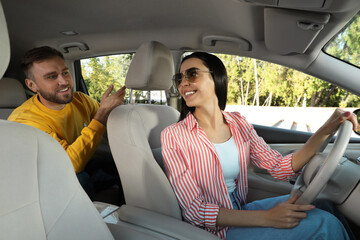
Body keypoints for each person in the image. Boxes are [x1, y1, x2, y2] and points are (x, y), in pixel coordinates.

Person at [161, 52, 358, 240]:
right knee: (324, 224)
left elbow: (278, 167)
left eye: (192, 74)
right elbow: (194, 211)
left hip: (239, 211)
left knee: (322, 204)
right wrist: (268, 217)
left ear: (216, 76)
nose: (184, 82)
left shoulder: (238, 123)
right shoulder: (173, 135)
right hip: (212, 232)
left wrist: (326, 129)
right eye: (180, 78)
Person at [8, 46, 125, 202]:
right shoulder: (24, 120)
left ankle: (137, 215)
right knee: (78, 178)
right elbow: (69, 165)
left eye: (65, 72)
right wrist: (101, 115)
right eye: (51, 77)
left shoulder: (80, 100)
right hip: (44, 181)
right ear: (32, 85)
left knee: (122, 161)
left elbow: (109, 121)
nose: (64, 82)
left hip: (80, 165)